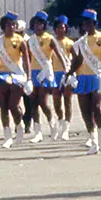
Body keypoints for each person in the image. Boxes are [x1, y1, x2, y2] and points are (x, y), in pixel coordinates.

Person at [63, 9, 101, 155]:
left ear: (94, 23)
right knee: (85, 110)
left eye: (88, 22)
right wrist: (69, 73)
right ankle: (93, 141)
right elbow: (78, 60)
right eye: (84, 22)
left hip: (98, 76)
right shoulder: (81, 42)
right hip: (83, 77)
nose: (85, 25)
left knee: (96, 106)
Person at [0, 12, 31, 149]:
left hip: (17, 75)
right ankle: (7, 136)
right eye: (8, 25)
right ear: (3, 26)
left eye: (13, 25)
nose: (11, 27)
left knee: (13, 105)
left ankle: (19, 125)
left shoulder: (20, 40)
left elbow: (26, 61)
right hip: (2, 76)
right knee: (3, 107)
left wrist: (29, 79)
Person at [26, 11, 61, 143]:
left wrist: (67, 70)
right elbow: (28, 58)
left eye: (39, 23)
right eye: (35, 23)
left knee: (43, 101)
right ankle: (38, 132)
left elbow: (58, 55)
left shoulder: (49, 39)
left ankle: (52, 123)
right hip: (34, 72)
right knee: (33, 102)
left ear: (44, 25)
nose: (37, 26)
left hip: (45, 71)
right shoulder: (31, 40)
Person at [49, 16, 76, 140]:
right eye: (59, 27)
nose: (61, 29)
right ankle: (60, 119)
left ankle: (66, 127)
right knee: (56, 100)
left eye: (63, 27)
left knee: (67, 100)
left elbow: (75, 58)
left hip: (67, 73)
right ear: (55, 29)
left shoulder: (70, 43)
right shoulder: (52, 42)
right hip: (55, 73)